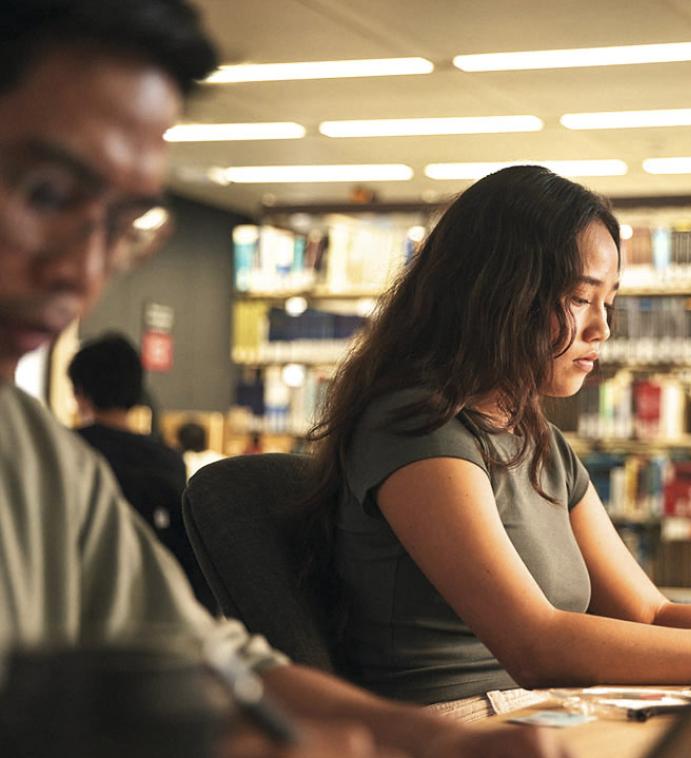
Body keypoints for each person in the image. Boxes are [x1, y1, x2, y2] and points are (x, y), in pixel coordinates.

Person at [0, 2, 566, 756]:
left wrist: (430, 743)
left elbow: (214, 662)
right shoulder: (416, 429)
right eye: (44, 194)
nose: (81, 273)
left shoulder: (34, 449)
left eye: (121, 224)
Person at [306, 165, 691, 721]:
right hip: (458, 722)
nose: (604, 328)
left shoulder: (536, 439)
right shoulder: (416, 432)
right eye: (580, 298)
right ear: (497, 295)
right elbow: (537, 646)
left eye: (610, 300)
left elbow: (649, 614)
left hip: (550, 710)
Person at [67, 332, 217, 608]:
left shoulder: (64, 451)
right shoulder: (167, 460)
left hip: (76, 604)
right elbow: (188, 551)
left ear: (79, 393)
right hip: (155, 607)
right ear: (137, 393)